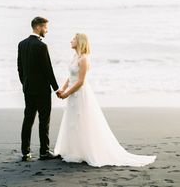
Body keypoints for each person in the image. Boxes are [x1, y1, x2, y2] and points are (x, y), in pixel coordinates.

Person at [55, 33, 157, 167]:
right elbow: (71, 77)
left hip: (79, 94)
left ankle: (85, 151)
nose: (71, 41)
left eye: (73, 39)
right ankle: (74, 150)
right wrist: (62, 89)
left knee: (82, 120)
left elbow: (80, 81)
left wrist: (67, 93)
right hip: (72, 93)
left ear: (80, 42)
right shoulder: (75, 57)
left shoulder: (84, 59)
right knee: (72, 121)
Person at [17, 16, 62, 161]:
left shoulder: (21, 44)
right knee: (44, 120)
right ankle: (44, 152)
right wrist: (56, 89)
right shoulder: (41, 46)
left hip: (28, 88)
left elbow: (19, 68)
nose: (47, 31)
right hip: (42, 90)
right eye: (45, 27)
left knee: (28, 119)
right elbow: (48, 69)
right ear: (38, 27)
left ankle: (25, 153)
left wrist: (24, 83)